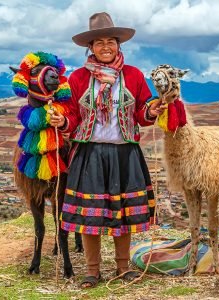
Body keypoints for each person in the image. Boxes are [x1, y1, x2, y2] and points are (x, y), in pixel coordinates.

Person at [49, 12, 164, 288]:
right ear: (90, 47)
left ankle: (123, 268)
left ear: (118, 44)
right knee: (92, 215)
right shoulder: (77, 79)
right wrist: (63, 121)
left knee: (121, 213)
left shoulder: (134, 76)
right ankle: (92, 270)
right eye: (99, 42)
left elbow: (141, 113)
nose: (105, 47)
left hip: (125, 153)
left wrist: (152, 110)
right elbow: (74, 116)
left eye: (110, 41)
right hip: (90, 154)